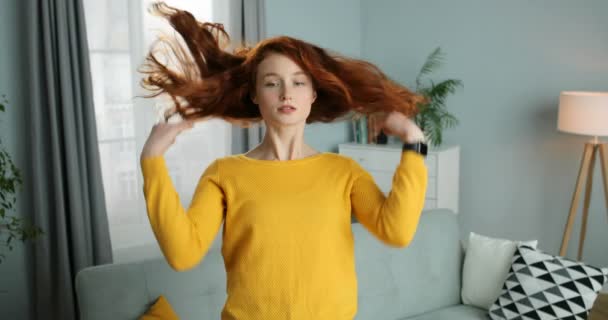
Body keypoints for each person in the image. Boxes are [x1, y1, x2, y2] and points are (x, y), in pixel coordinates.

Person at [139, 2, 428, 319]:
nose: (286, 93)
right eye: (272, 82)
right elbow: (182, 254)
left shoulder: (344, 172)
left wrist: (415, 144)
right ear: (254, 95)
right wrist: (152, 159)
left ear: (313, 95)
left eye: (299, 82)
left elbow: (397, 231)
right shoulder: (225, 174)